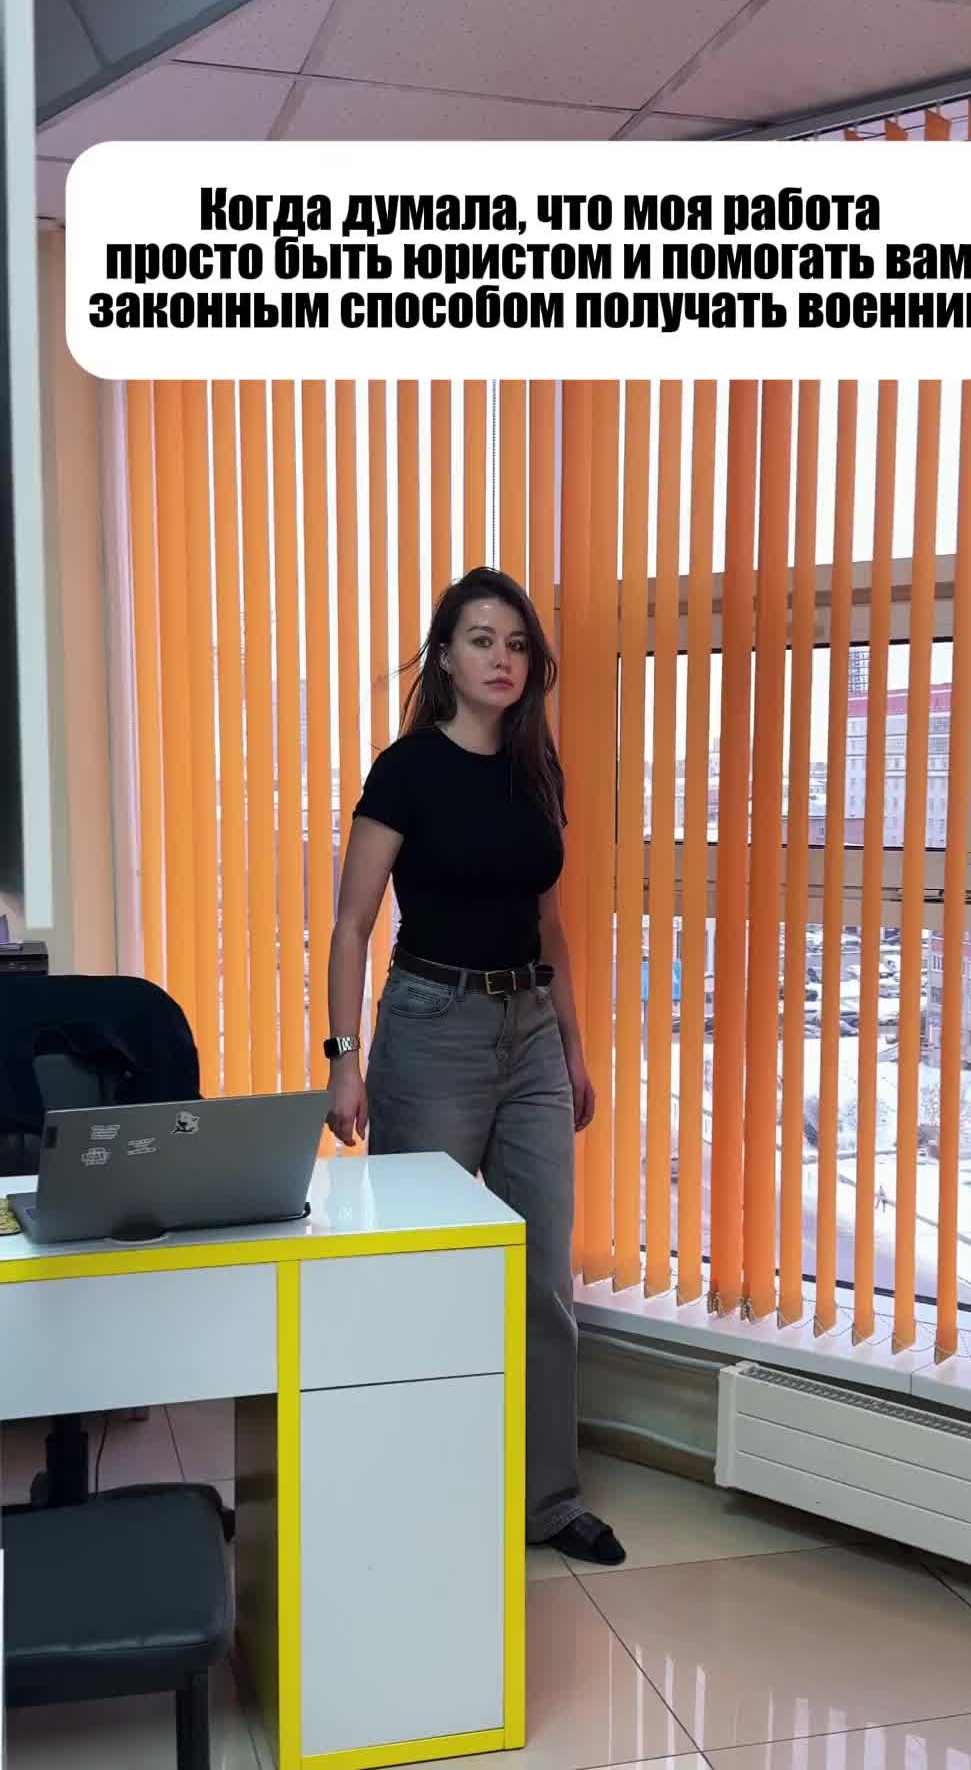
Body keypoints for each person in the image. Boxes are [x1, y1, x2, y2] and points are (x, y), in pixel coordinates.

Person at [324, 567, 625, 1567]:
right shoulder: (406, 770)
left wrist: (572, 1046)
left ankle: (547, 1500)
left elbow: (550, 923)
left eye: (517, 643)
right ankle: (422, 1486)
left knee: (542, 1275)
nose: (502, 658)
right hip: (431, 1027)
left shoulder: (537, 773)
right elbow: (353, 924)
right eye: (481, 639)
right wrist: (344, 1061)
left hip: (530, 1028)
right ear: (446, 657)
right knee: (428, 1273)